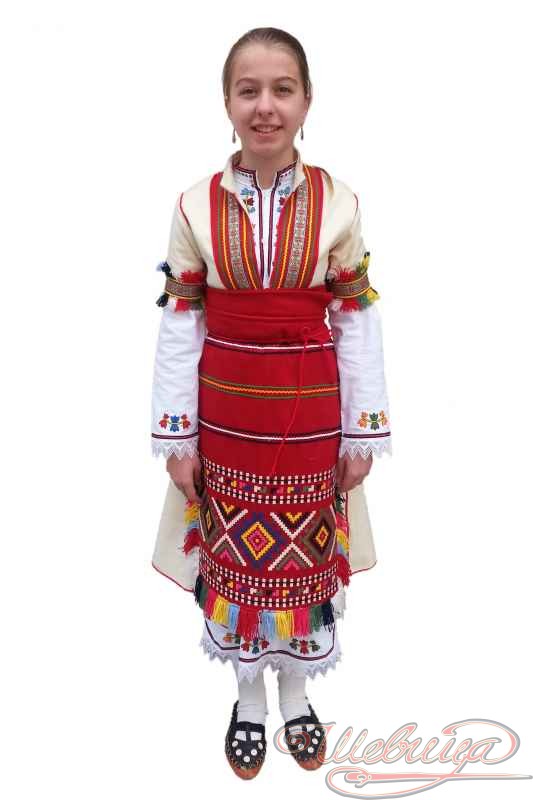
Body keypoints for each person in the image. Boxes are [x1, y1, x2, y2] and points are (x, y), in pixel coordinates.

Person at [150, 27, 392, 779]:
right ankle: (249, 700)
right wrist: (176, 437)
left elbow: (355, 318)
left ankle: (297, 697)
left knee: (302, 562)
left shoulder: (338, 203)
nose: (265, 106)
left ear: (306, 101)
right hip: (224, 419)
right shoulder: (194, 206)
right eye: (248, 90)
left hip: (311, 417)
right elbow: (180, 321)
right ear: (226, 103)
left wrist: (362, 432)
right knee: (236, 565)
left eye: (282, 89)